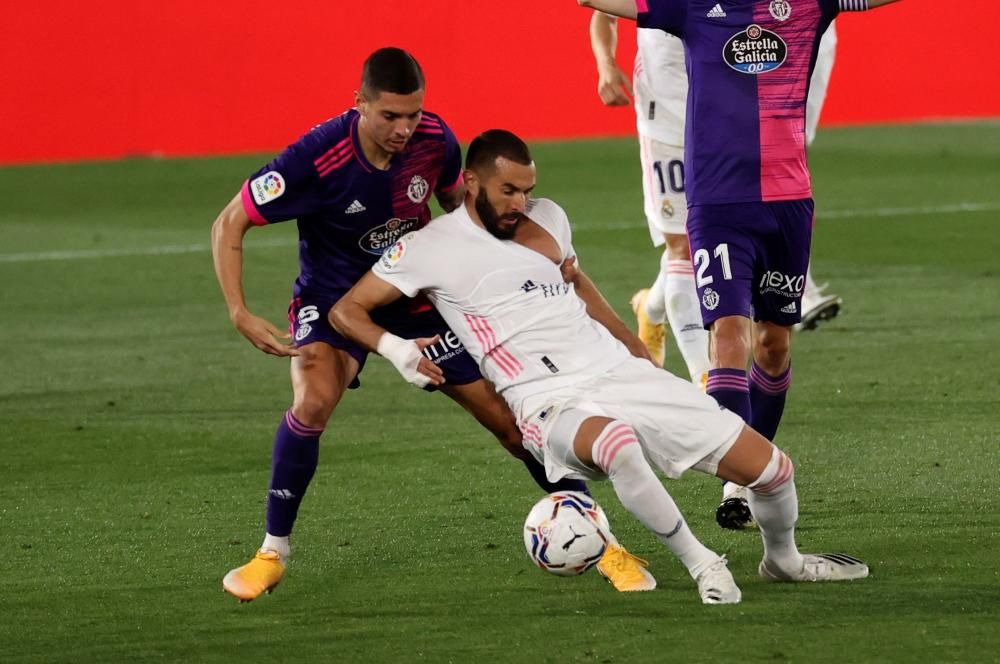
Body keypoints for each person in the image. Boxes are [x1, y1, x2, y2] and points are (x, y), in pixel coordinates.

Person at [330, 129, 871, 604]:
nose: (522, 201)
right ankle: (702, 561)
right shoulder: (428, 248)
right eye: (509, 190)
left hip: (616, 370)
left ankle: (785, 560)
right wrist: (397, 350)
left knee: (774, 471)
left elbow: (577, 283)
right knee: (617, 446)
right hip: (545, 398)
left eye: (528, 189)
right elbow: (346, 309)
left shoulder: (550, 219)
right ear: (471, 183)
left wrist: (633, 347)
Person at [211, 48, 648, 602]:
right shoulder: (314, 160)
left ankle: (603, 544)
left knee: (514, 424)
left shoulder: (435, 141)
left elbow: (462, 219)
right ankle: (271, 552)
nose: (404, 129)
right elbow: (230, 221)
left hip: (414, 294)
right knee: (313, 402)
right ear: (359, 104)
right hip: (335, 299)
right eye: (390, 116)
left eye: (413, 115)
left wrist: (527, 265)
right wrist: (238, 309)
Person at [578, 0, 901, 527]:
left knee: (773, 345)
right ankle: (738, 474)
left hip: (786, 200)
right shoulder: (689, 9)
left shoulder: (806, 6)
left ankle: (656, 311)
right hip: (714, 191)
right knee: (726, 330)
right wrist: (605, 62)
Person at [587, 13, 841, 378]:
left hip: (723, 118)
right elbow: (602, 13)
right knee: (683, 247)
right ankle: (706, 383)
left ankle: (652, 307)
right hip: (667, 116)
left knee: (709, 240)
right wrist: (606, 65)